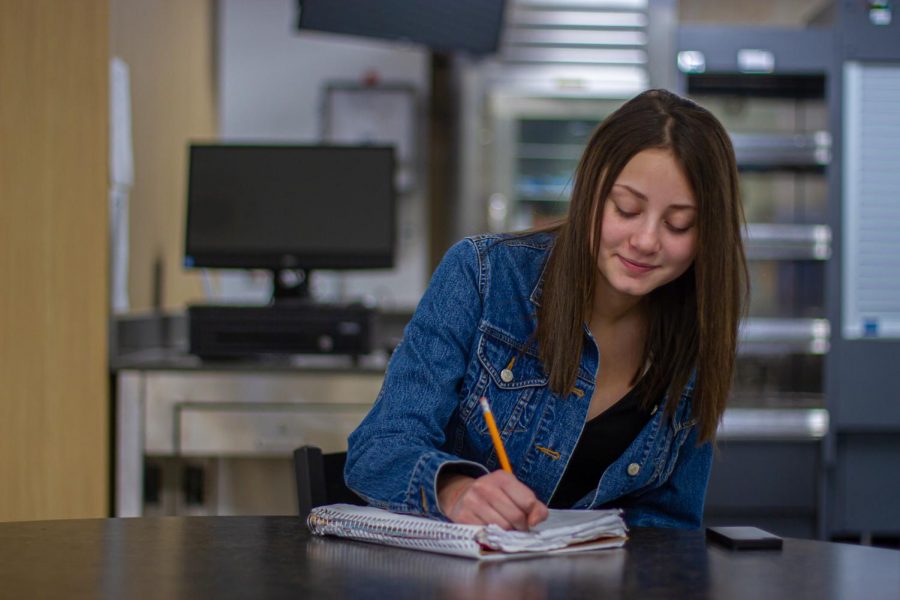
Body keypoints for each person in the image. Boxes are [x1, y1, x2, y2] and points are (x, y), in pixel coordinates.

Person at [345, 89, 748, 531]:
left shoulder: (698, 330)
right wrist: (454, 492)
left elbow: (669, 524)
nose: (647, 240)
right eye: (626, 209)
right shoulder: (483, 275)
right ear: (589, 191)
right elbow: (378, 449)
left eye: (679, 224)